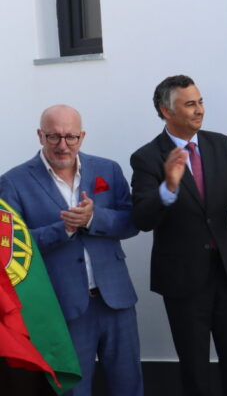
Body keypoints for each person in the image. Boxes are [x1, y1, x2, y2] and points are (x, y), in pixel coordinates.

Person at [130, 75, 227, 396]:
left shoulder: (220, 144)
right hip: (183, 278)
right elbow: (142, 217)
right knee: (195, 370)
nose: (199, 110)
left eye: (201, 101)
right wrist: (170, 187)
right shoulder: (147, 157)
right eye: (190, 104)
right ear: (167, 111)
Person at [0, 105, 142, 396]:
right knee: (74, 389)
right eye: (54, 137)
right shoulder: (13, 181)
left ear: (83, 136)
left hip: (116, 299)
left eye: (71, 137)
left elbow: (131, 223)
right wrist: (62, 229)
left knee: (129, 385)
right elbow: (13, 247)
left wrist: (93, 218)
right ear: (40, 135)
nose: (63, 145)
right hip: (63, 305)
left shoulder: (108, 170)